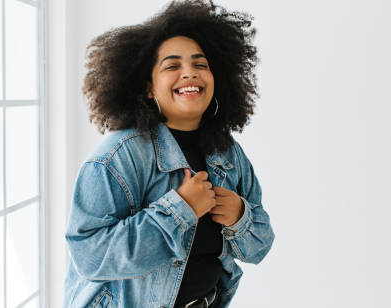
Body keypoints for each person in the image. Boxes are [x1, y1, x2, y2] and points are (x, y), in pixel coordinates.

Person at [63, 1, 275, 307]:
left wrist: (240, 216)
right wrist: (180, 209)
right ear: (149, 88)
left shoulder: (228, 154)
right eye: (172, 66)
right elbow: (90, 257)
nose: (189, 73)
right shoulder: (116, 158)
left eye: (200, 64)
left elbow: (260, 246)